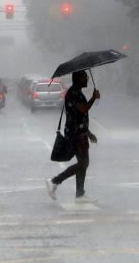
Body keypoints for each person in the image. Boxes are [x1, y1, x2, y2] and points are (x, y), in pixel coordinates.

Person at [46, 70, 100, 203]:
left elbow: (79, 116)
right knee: (83, 163)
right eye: (84, 77)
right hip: (75, 134)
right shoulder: (73, 93)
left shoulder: (77, 92)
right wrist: (93, 98)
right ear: (78, 79)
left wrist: (88, 133)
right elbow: (82, 109)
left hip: (80, 133)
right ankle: (54, 181)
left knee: (84, 163)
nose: (87, 79)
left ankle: (80, 194)